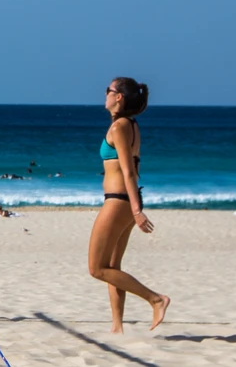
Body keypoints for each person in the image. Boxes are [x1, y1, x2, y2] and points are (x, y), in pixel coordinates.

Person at [88, 77, 172, 334]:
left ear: (119, 97)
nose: (104, 94)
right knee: (113, 267)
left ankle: (156, 299)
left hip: (119, 202)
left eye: (108, 90)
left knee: (97, 268)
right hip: (123, 201)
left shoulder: (119, 127)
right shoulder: (130, 125)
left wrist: (136, 211)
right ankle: (117, 327)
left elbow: (128, 171)